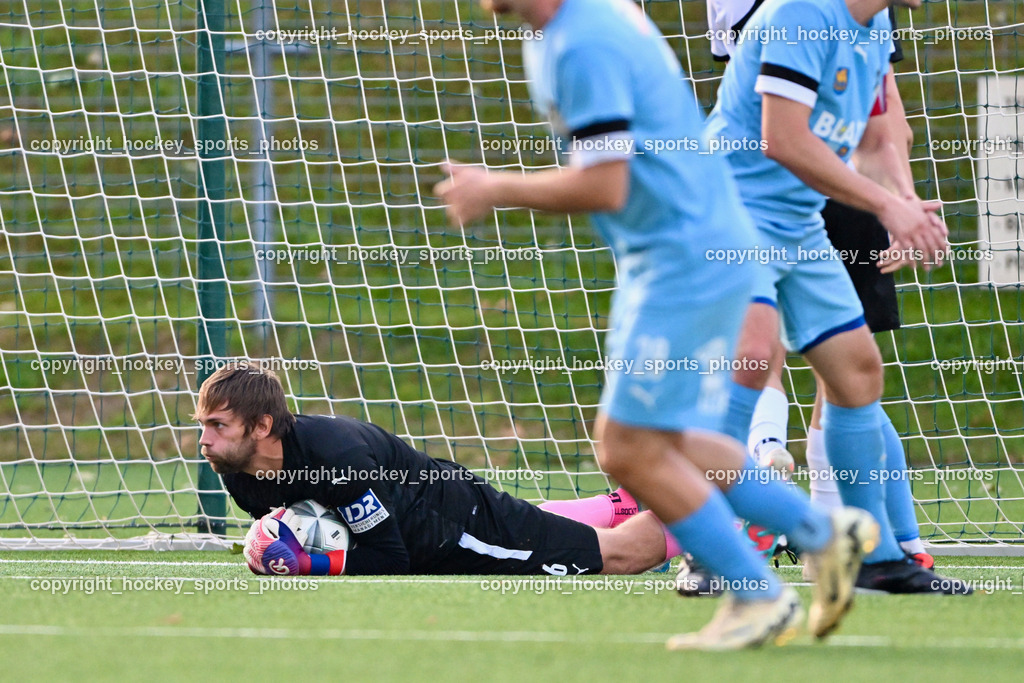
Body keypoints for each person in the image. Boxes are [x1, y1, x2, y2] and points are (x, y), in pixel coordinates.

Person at [435, 0, 880, 650]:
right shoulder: (564, 30)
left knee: (626, 447)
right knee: (667, 439)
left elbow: (606, 185)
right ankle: (819, 533)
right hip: (679, 253)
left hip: (685, 259)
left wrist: (494, 187)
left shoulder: (581, 39)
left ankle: (757, 591)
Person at [705, 0, 971, 594]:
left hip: (799, 225)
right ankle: (710, 545)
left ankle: (867, 555)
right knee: (749, 362)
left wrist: (906, 203)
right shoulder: (799, 12)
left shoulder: (875, 22)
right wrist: (885, 207)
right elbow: (783, 139)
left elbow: (879, 137)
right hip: (733, 215)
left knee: (857, 375)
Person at [196, 363, 680, 577]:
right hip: (422, 521)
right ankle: (618, 504)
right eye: (202, 425)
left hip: (454, 527)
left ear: (261, 425)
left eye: (218, 425)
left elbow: (391, 558)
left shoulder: (336, 461)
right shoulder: (238, 471)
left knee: (621, 555)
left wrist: (309, 564)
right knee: (537, 525)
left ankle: (718, 506)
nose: (205, 440)